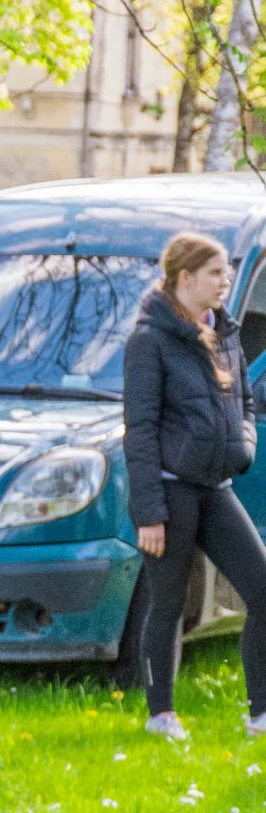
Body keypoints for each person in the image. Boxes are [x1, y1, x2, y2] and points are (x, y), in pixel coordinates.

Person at [120, 230, 266, 742]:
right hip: (170, 491)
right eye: (215, 272)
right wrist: (149, 513)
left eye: (227, 271)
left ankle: (260, 715)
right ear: (185, 278)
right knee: (168, 604)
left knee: (262, 591)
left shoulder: (224, 331)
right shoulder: (149, 340)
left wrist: (243, 443)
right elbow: (139, 430)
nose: (226, 280)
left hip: (216, 487)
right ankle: (161, 715)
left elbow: (244, 401)